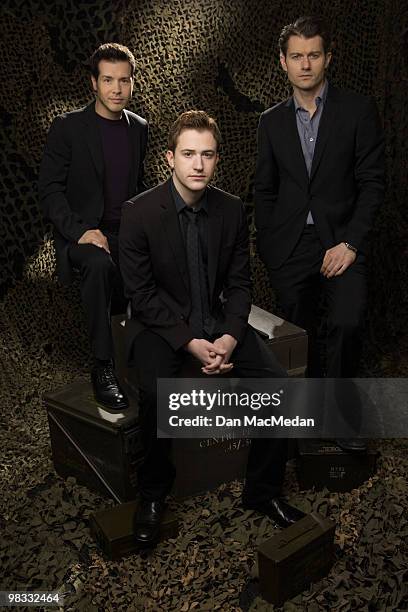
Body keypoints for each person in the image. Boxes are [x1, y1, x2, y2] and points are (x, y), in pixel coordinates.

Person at [119, 110, 305, 548]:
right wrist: (189, 342)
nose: (198, 164)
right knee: (153, 396)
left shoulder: (233, 210)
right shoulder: (138, 214)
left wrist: (227, 337)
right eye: (188, 154)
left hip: (219, 322)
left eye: (207, 154)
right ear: (169, 158)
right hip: (162, 327)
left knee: (280, 386)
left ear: (217, 159)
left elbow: (241, 284)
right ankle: (153, 493)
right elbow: (141, 294)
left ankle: (263, 492)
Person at [254, 16, 384, 451]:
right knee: (297, 334)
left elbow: (373, 184)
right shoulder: (270, 122)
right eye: (296, 56)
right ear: (283, 62)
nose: (305, 64)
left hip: (342, 241)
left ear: (328, 58)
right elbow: (264, 189)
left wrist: (350, 244)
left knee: (346, 323)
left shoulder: (358, 110)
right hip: (290, 247)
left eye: (313, 54)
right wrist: (272, 249)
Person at [39, 43, 148, 410]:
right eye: (107, 80)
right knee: (100, 265)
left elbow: (138, 187)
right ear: (93, 83)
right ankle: (103, 367)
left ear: (132, 84)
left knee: (170, 251)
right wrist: (80, 231)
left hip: (124, 233)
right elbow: (50, 191)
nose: (116, 89)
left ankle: (152, 361)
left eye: (123, 80)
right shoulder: (68, 127)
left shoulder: (139, 129)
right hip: (81, 235)